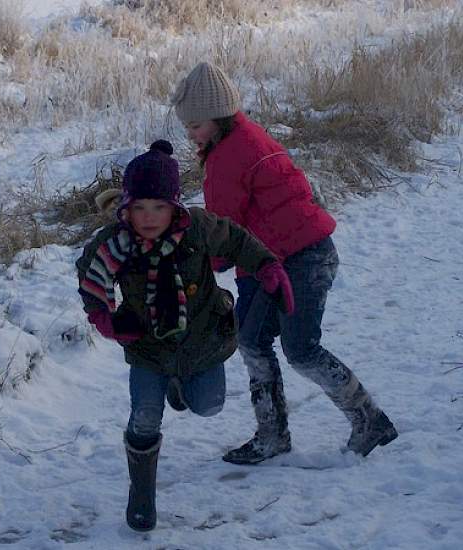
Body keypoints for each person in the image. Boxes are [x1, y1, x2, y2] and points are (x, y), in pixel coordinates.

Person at [170, 62, 398, 465]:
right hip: (272, 260)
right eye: (188, 127)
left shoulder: (230, 155)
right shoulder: (238, 140)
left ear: (219, 116)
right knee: (251, 339)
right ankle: (272, 434)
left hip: (303, 257)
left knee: (301, 348)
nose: (191, 135)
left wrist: (208, 265)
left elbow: (224, 225)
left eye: (196, 126)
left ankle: (369, 420)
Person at [76, 140, 294, 531]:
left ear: (174, 205)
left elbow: (237, 240)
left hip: (203, 341)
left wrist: (267, 267)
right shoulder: (118, 243)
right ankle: (141, 496)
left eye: (158, 207)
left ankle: (181, 387)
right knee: (144, 417)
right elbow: (91, 272)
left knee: (208, 405)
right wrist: (104, 317)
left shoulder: (196, 228)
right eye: (139, 207)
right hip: (146, 346)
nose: (148, 217)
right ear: (126, 206)